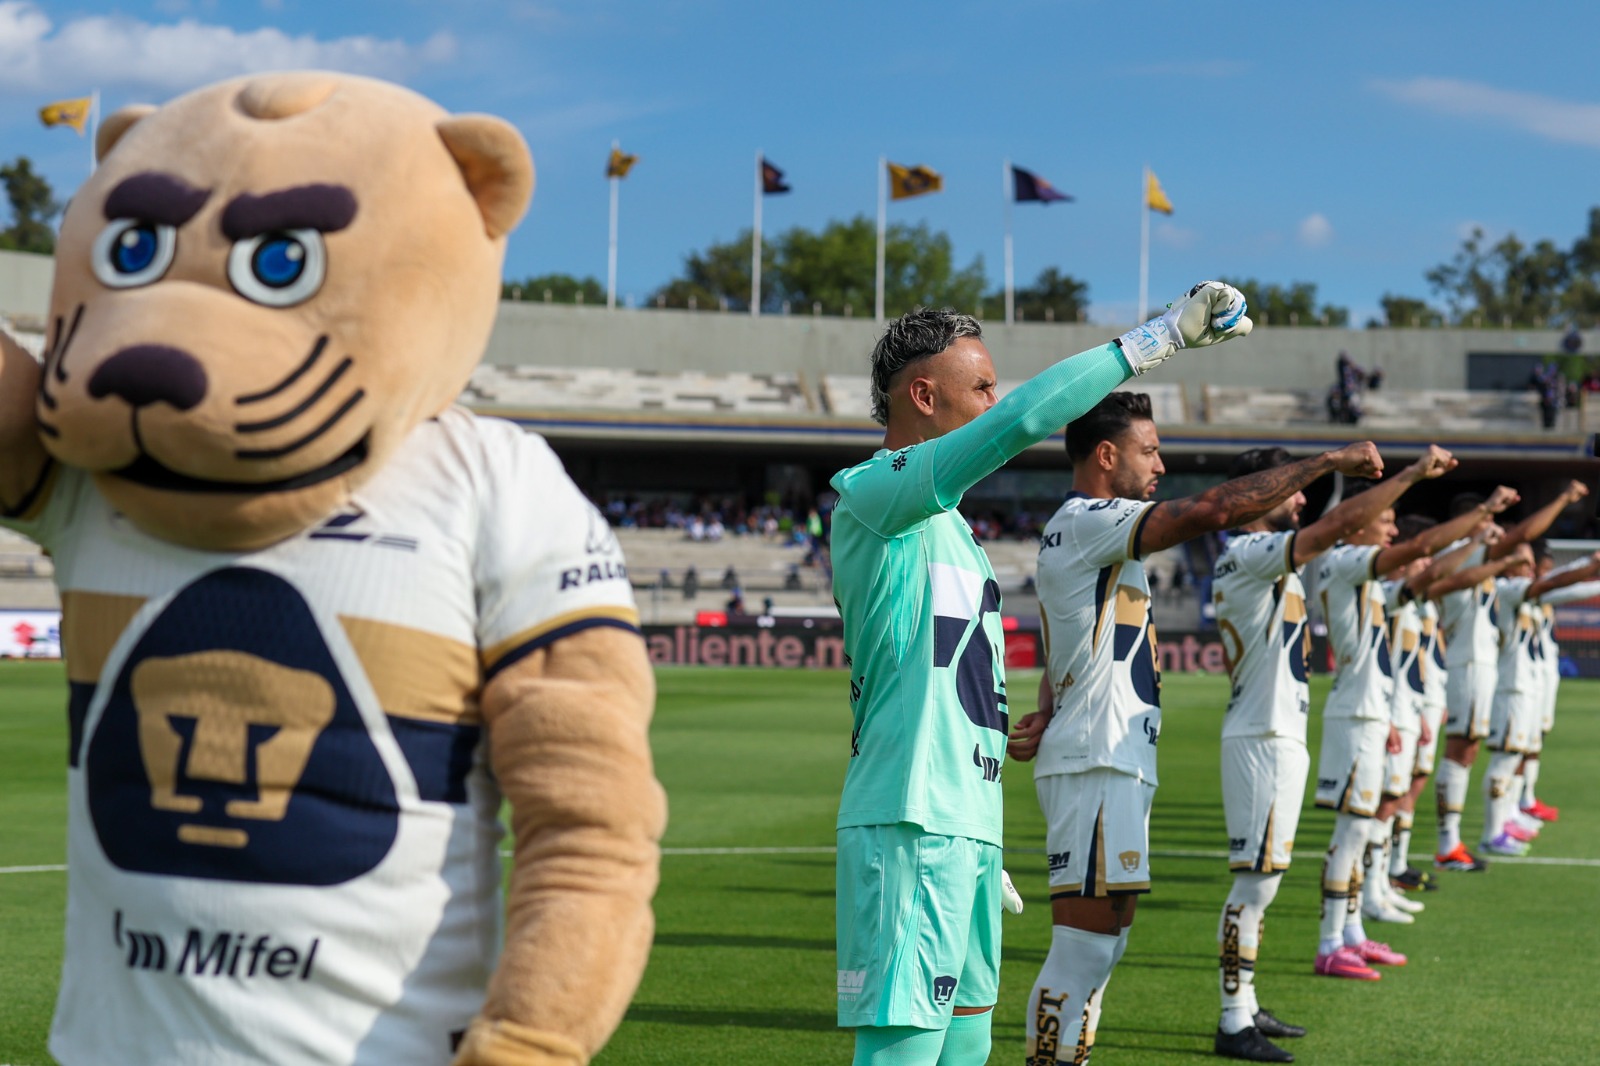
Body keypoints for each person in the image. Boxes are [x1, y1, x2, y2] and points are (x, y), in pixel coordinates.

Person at [830, 283, 1253, 1066]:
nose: (997, 401)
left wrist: (1001, 748)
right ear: (922, 394)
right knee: (903, 1056)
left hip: (966, 827)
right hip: (912, 820)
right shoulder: (874, 493)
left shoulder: (952, 528)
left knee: (966, 1050)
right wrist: (1157, 337)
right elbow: (1026, 421)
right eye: (982, 386)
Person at [1011, 392, 1369, 1066]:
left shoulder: (1095, 533)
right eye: (1150, 450)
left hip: (1111, 758)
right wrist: (1327, 460)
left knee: (1106, 945)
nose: (1162, 464)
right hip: (1095, 762)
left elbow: (1073, 635)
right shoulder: (1088, 518)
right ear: (1107, 455)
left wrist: (1050, 705)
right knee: (1081, 949)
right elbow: (1212, 511)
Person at [1206, 442, 1444, 1062]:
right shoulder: (1247, 552)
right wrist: (1413, 473)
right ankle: (1233, 1021)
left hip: (1279, 731)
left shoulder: (1261, 559)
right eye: (1289, 487)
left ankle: (1246, 1003)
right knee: (1253, 885)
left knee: (1265, 881)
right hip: (1260, 736)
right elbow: (1335, 527)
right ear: (1259, 494)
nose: (1302, 498)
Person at [1308, 473, 1516, 981]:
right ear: (1353, 528)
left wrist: (1472, 540)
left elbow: (1433, 575)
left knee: (1364, 827)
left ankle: (1352, 930)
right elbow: (1425, 553)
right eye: (1383, 520)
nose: (1391, 529)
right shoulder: (1343, 566)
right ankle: (1331, 941)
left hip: (1374, 713)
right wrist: (1482, 512)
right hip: (1355, 715)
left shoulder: (1374, 584)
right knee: (1354, 828)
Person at [1433, 480, 1588, 871]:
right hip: (1478, 671)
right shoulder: (1471, 562)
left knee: (1478, 751)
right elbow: (1549, 579)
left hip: (1490, 673)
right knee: (1473, 751)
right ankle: (1470, 836)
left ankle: (1481, 831)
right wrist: (1565, 499)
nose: (1501, 538)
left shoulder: (1492, 576)